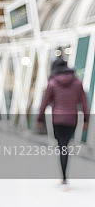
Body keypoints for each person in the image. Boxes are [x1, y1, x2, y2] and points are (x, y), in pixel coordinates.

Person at [37, 59, 89, 187]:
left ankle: (64, 178)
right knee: (65, 146)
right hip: (72, 120)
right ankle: (64, 177)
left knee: (62, 147)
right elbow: (84, 102)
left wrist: (39, 119)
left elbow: (44, 102)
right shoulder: (77, 82)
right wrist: (87, 120)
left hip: (58, 120)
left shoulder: (52, 82)